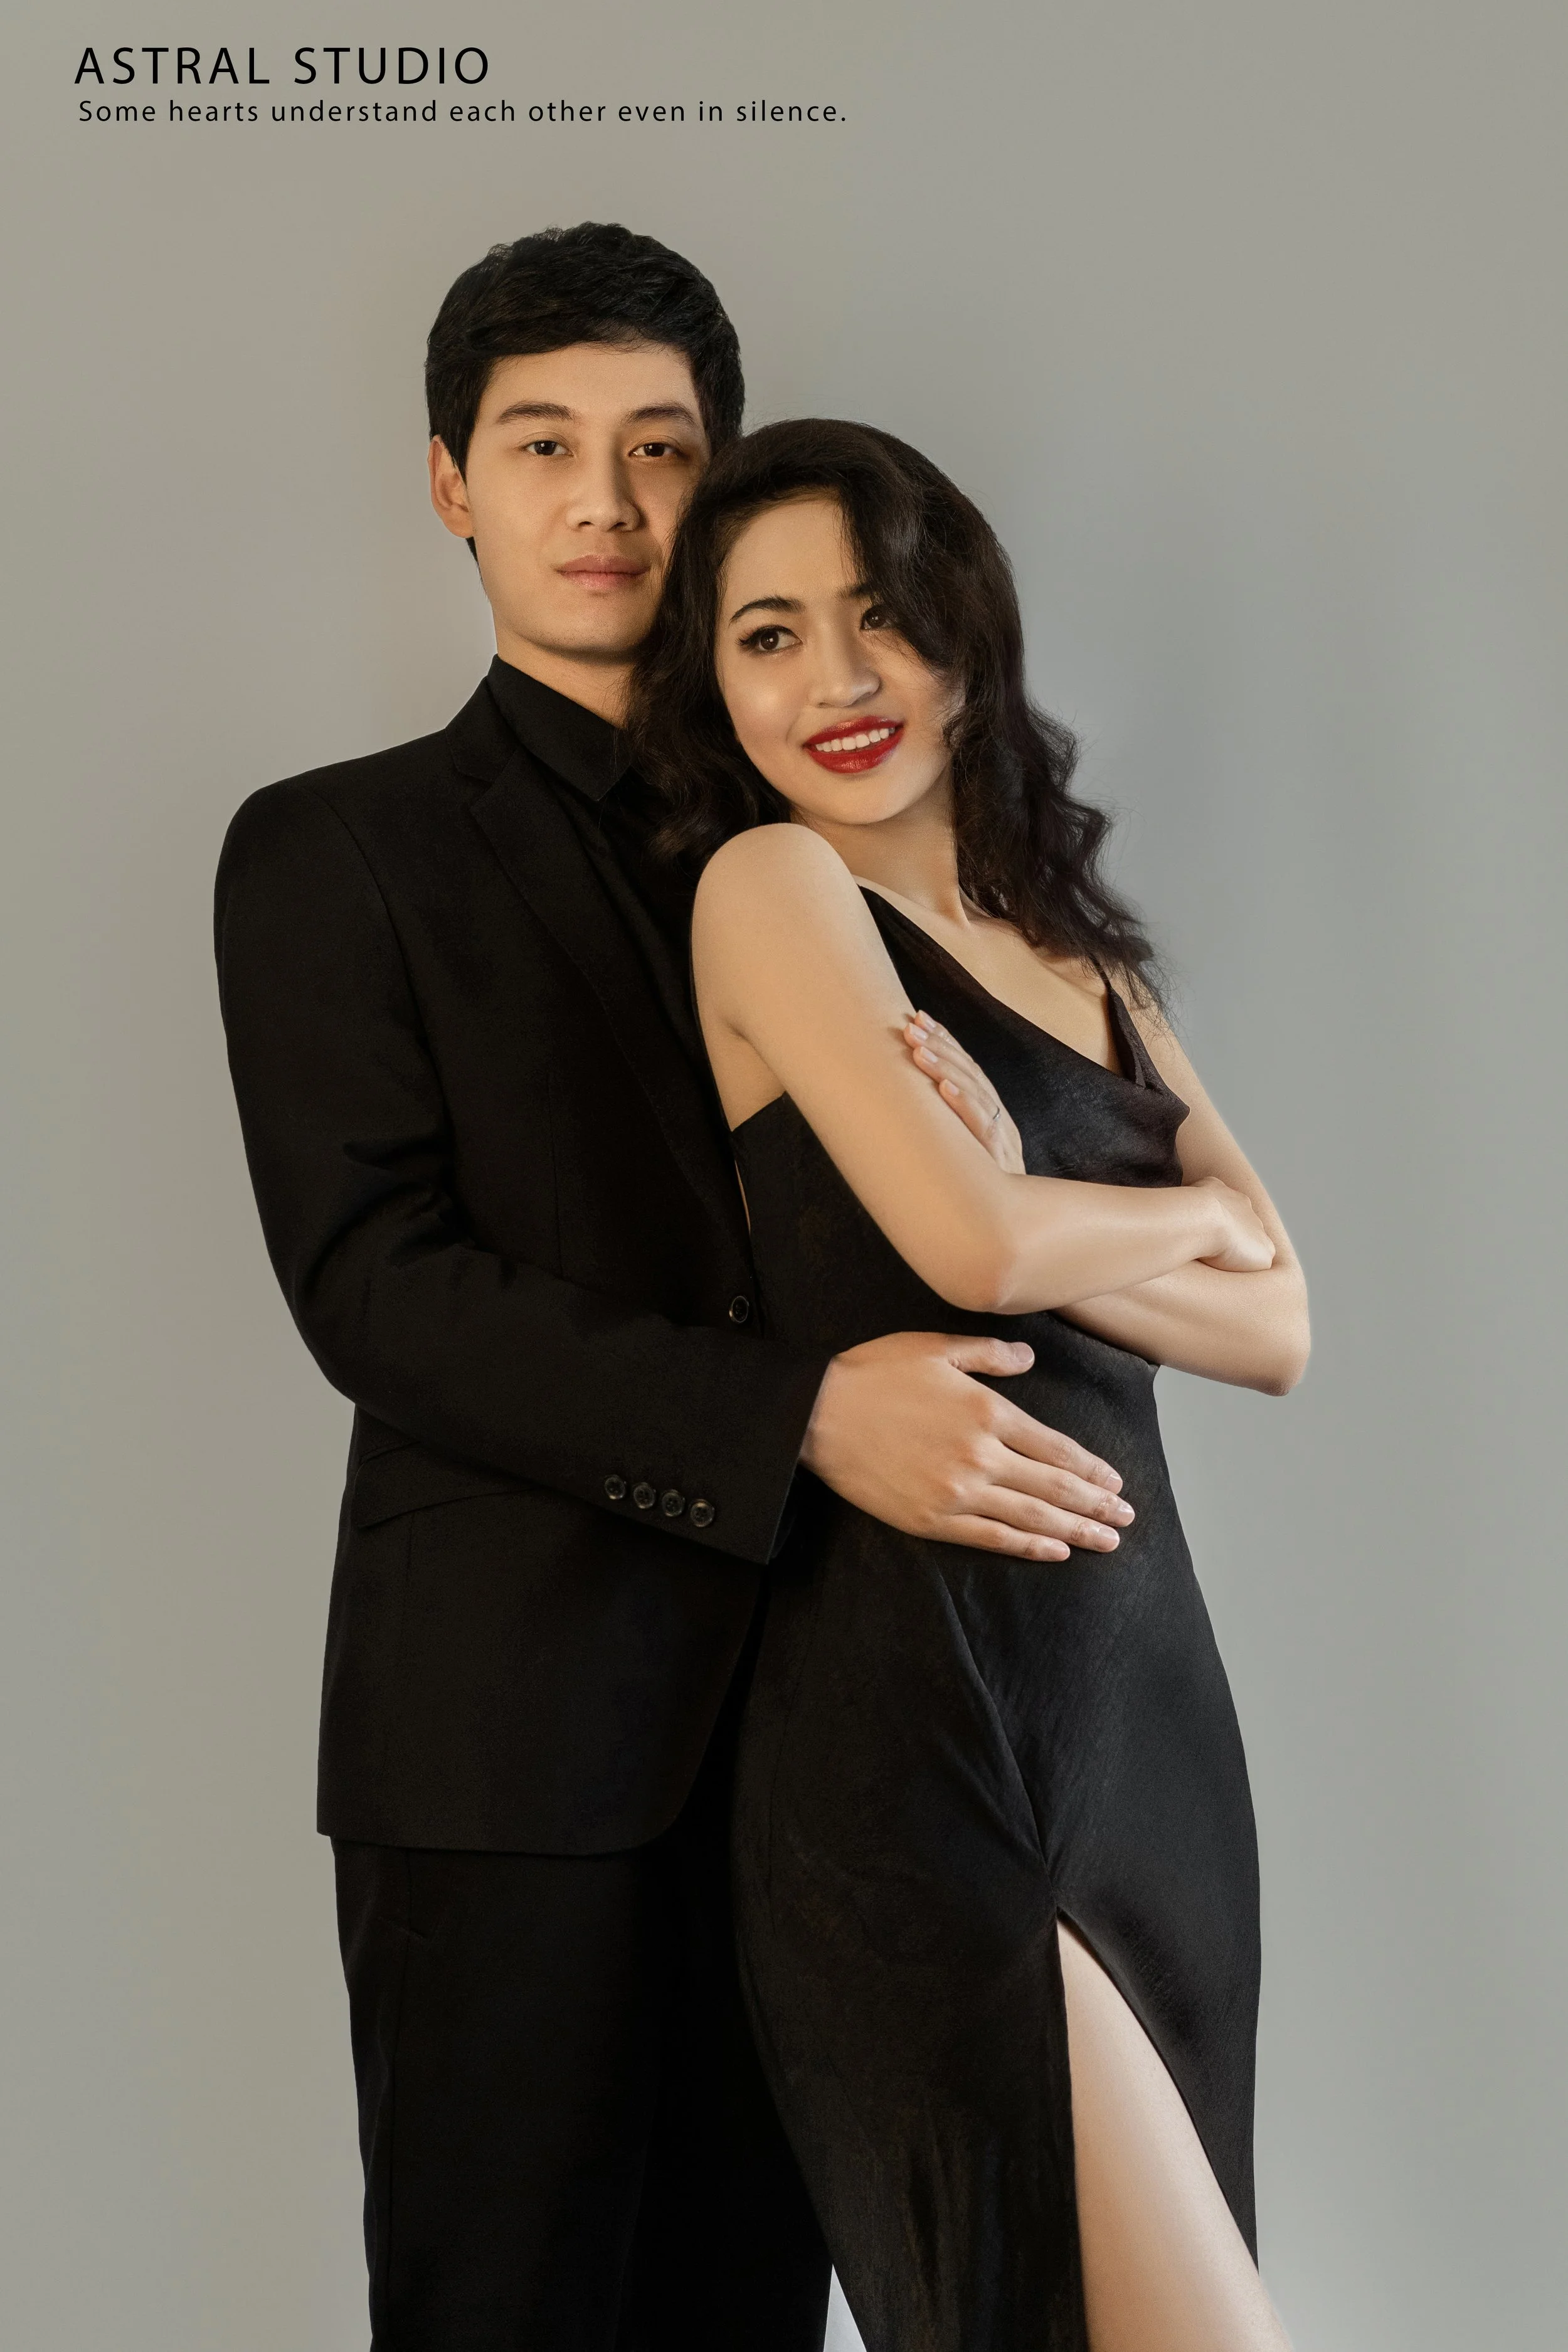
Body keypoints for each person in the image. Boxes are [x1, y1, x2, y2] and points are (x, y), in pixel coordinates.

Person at [213, 226, 1132, 2349]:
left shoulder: (862, 839)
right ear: (451, 484)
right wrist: (798, 1417)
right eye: (542, 446)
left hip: (843, 1740)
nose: (606, 503)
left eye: (658, 447)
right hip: (513, 1750)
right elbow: (377, 1288)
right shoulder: (335, 849)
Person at [627, 418, 1311, 2352]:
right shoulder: (773, 889)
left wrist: (1038, 1199)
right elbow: (977, 1253)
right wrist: (1166, 1219)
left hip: (1148, 1724)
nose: (836, 680)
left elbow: (1282, 1327)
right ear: (712, 684)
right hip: (918, 1715)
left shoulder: (1076, 949)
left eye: (879, 615)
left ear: (962, 631)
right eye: (768, 636)